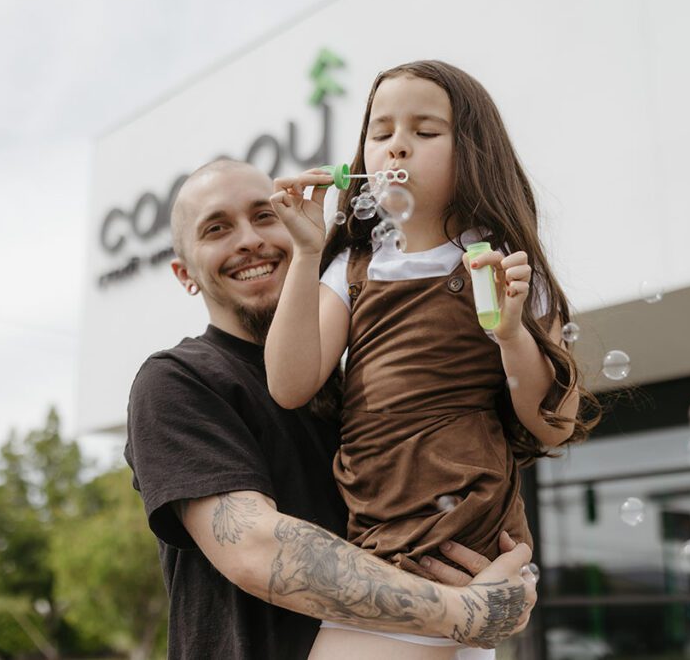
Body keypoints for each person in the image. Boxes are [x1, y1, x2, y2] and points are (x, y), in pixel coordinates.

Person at [124, 158, 537, 660]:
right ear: (184, 273)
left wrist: (502, 583)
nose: (249, 240)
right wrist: (463, 611)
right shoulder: (177, 380)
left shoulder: (348, 385)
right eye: (217, 228)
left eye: (265, 215)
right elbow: (253, 546)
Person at [264, 60, 601, 659]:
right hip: (378, 532)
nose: (397, 145)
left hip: (458, 531)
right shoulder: (353, 268)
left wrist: (510, 335)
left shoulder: (503, 267)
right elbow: (289, 383)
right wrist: (305, 252)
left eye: (425, 131)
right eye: (381, 131)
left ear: (474, 153)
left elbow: (554, 421)